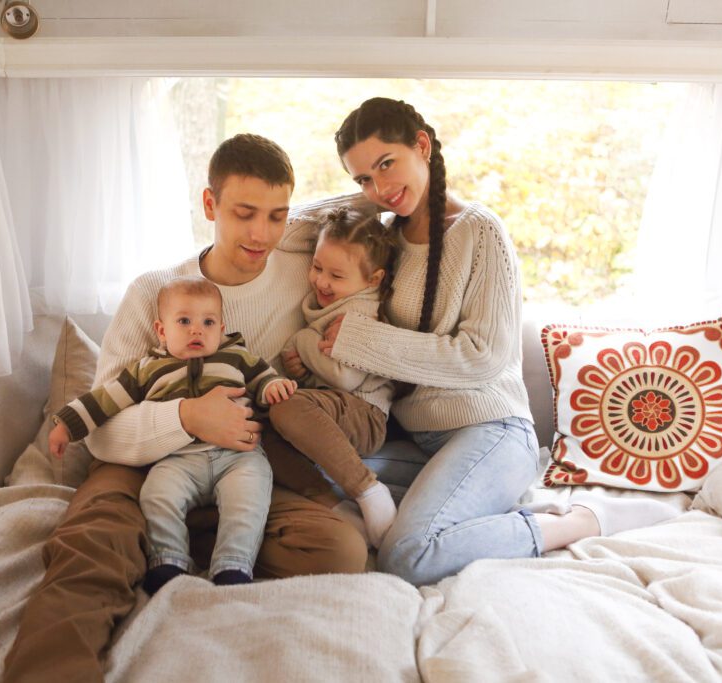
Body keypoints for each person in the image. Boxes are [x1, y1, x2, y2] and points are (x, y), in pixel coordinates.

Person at [2, 134, 368, 683]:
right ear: (209, 205)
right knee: (90, 549)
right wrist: (186, 418)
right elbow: (103, 431)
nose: (261, 234)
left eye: (277, 217)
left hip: (241, 465)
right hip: (140, 465)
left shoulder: (303, 277)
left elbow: (356, 214)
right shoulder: (155, 291)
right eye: (244, 213)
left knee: (340, 547)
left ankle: (189, 543)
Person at [289, 96, 680, 587]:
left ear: (423, 146)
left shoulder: (481, 232)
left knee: (407, 556)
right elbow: (313, 222)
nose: (380, 188)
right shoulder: (382, 238)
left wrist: (359, 341)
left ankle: (572, 521)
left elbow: (481, 359)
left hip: (491, 429)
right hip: (421, 440)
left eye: (387, 164)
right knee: (306, 458)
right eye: (363, 179)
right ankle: (465, 508)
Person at [47, 276, 297, 594]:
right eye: (184, 321)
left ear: (221, 330)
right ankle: (169, 560)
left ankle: (233, 565)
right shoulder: (148, 370)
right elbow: (104, 401)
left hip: (238, 457)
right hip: (177, 459)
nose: (197, 330)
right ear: (162, 331)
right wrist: (67, 425)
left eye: (208, 322)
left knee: (249, 498)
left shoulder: (236, 357)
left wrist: (273, 386)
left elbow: (263, 378)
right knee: (156, 496)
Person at [269, 207, 399, 548]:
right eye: (317, 267)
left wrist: (301, 342)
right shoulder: (329, 302)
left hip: (365, 414)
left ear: (373, 279)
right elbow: (324, 375)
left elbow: (344, 378)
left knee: (285, 406)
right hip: (332, 409)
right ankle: (335, 506)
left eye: (336, 276)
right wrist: (304, 371)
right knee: (259, 429)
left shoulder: (362, 312)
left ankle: (368, 489)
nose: (321, 281)